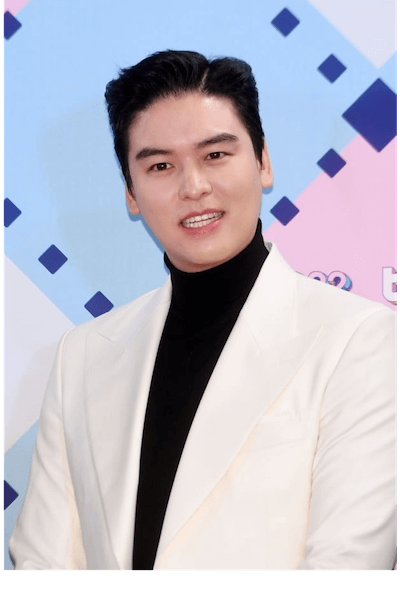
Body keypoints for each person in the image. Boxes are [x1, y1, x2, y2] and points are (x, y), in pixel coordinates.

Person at [9, 50, 396, 571]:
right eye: (161, 166)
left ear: (262, 162)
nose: (193, 187)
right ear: (131, 192)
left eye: (215, 155)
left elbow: (349, 558)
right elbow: (43, 558)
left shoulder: (359, 339)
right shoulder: (82, 357)